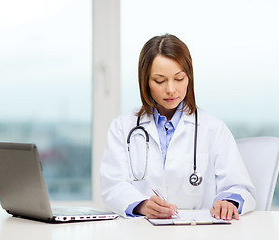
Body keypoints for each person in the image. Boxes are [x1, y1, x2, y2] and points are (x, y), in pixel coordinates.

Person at [100, 34, 256, 221]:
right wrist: (142, 205)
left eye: (179, 78)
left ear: (189, 77)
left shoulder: (214, 129)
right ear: (145, 82)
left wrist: (228, 202)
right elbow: (112, 185)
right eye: (159, 81)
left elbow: (239, 187)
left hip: (197, 230)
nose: (171, 89)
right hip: (142, 231)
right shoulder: (122, 127)